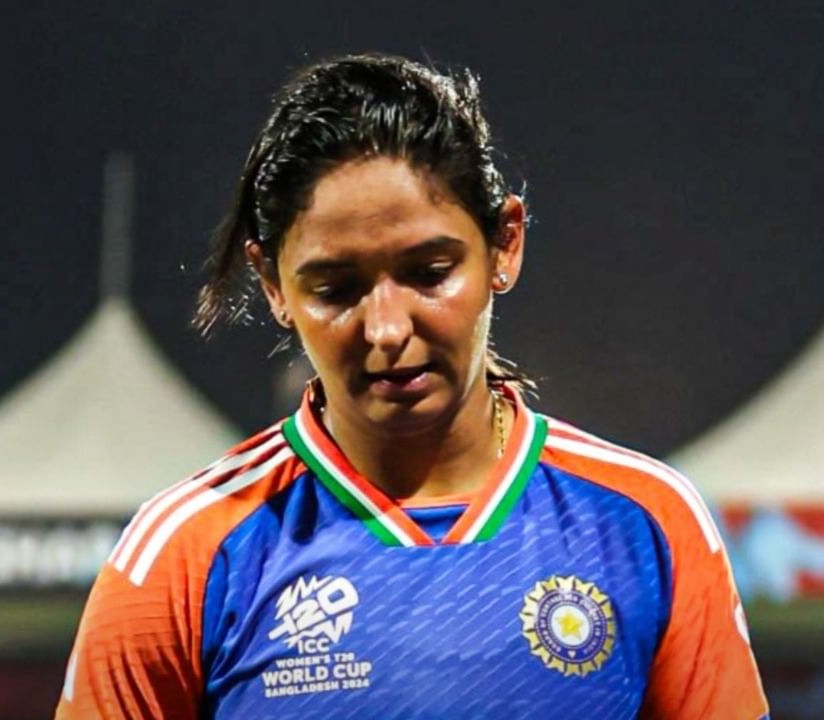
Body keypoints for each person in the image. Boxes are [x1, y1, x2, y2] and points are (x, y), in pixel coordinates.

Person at [55, 53, 768, 719]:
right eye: (335, 288)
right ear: (273, 284)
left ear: (505, 243)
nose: (387, 329)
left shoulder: (646, 523)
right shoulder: (186, 554)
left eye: (429, 273)